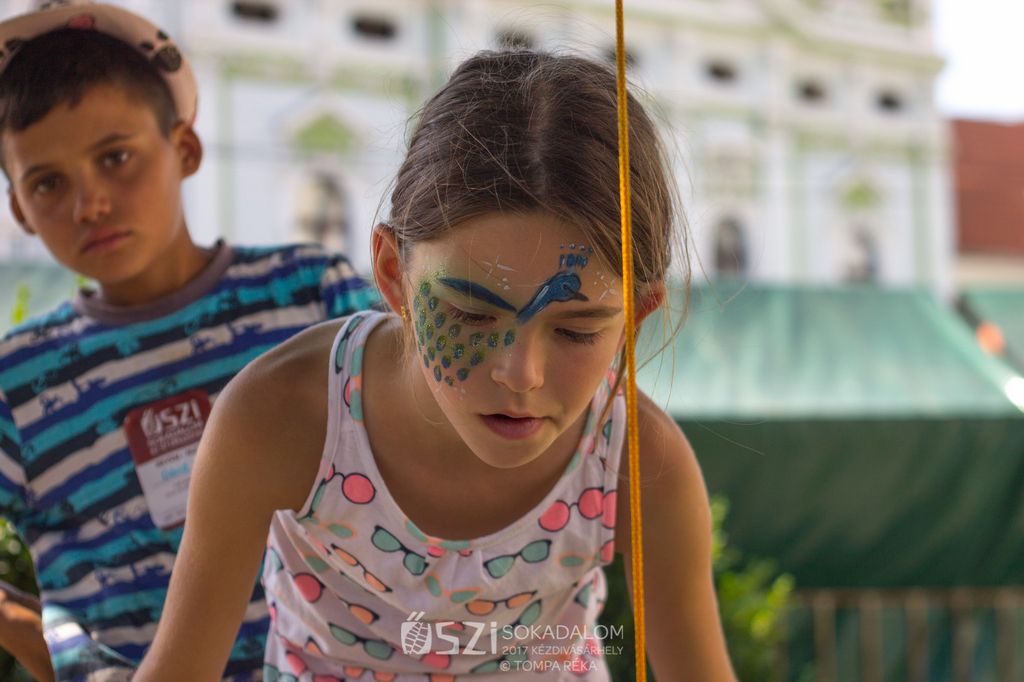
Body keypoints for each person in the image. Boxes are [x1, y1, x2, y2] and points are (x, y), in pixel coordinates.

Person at [137, 51, 737, 681]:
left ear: (637, 316)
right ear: (393, 273)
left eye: (576, 330)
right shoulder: (278, 419)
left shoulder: (641, 464)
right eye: (470, 316)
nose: (521, 374)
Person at [0, 2, 378, 680]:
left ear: (185, 149)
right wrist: (37, 642)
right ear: (19, 210)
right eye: (48, 182)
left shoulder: (312, 298)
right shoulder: (17, 382)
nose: (90, 204)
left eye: (116, 157)